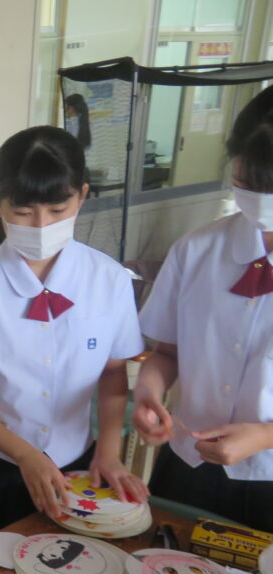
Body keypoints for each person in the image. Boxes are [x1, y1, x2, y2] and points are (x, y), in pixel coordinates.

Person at [0, 126, 147, 562]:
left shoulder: (109, 280)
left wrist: (109, 452)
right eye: (24, 211)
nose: (42, 224)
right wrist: (24, 454)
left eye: (58, 209)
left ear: (82, 196)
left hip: (76, 466)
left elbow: (112, 375)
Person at [133, 85, 273, 532]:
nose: (262, 200)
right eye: (247, 184)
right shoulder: (197, 250)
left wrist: (265, 436)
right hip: (188, 464)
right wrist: (148, 394)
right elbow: (167, 353)